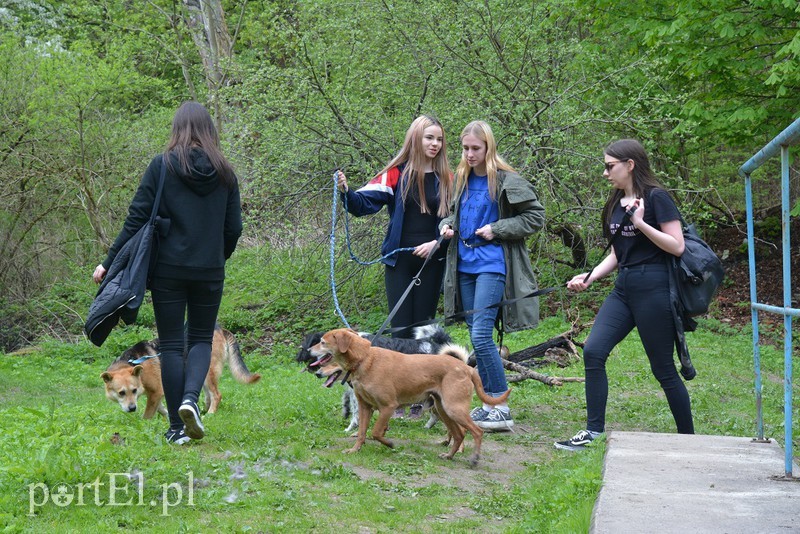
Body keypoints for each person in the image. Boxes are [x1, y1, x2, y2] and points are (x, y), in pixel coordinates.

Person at [93, 101, 243, 445]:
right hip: (209, 269)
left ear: (177, 130)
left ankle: (177, 428)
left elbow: (136, 219)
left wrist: (110, 262)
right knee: (201, 338)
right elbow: (234, 227)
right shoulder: (225, 173)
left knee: (173, 345)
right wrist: (218, 257)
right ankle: (192, 399)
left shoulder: (162, 166)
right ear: (210, 131)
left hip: (168, 272)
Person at [555, 138, 694, 452]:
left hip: (655, 287)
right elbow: (619, 252)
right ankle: (593, 431)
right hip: (625, 287)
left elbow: (677, 245)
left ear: (630, 165)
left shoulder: (658, 198)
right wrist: (590, 277)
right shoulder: (615, 202)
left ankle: (689, 439)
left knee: (663, 369)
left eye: (609, 166)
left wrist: (640, 222)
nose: (605, 173)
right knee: (593, 351)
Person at [439, 120, 545, 432]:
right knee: (476, 335)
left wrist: (497, 228)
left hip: (493, 265)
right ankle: (489, 406)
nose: (469, 154)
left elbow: (535, 217)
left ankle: (501, 406)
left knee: (482, 336)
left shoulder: (506, 180)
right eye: (465, 148)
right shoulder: (462, 178)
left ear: (488, 148)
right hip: (464, 267)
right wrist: (445, 226)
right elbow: (454, 214)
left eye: (476, 148)